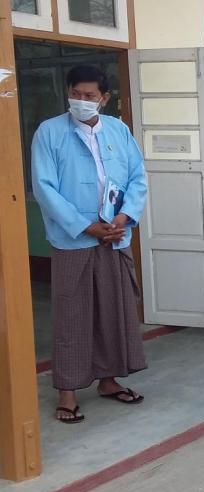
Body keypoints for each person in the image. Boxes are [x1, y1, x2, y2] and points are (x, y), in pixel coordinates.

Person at [31, 65, 149, 424]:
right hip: (73, 240)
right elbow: (44, 188)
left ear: (104, 98)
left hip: (114, 236)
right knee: (73, 315)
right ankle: (67, 392)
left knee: (113, 311)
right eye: (75, 94)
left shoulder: (118, 130)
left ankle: (108, 381)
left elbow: (137, 177)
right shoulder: (49, 132)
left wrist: (124, 216)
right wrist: (86, 226)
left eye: (89, 96)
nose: (81, 101)